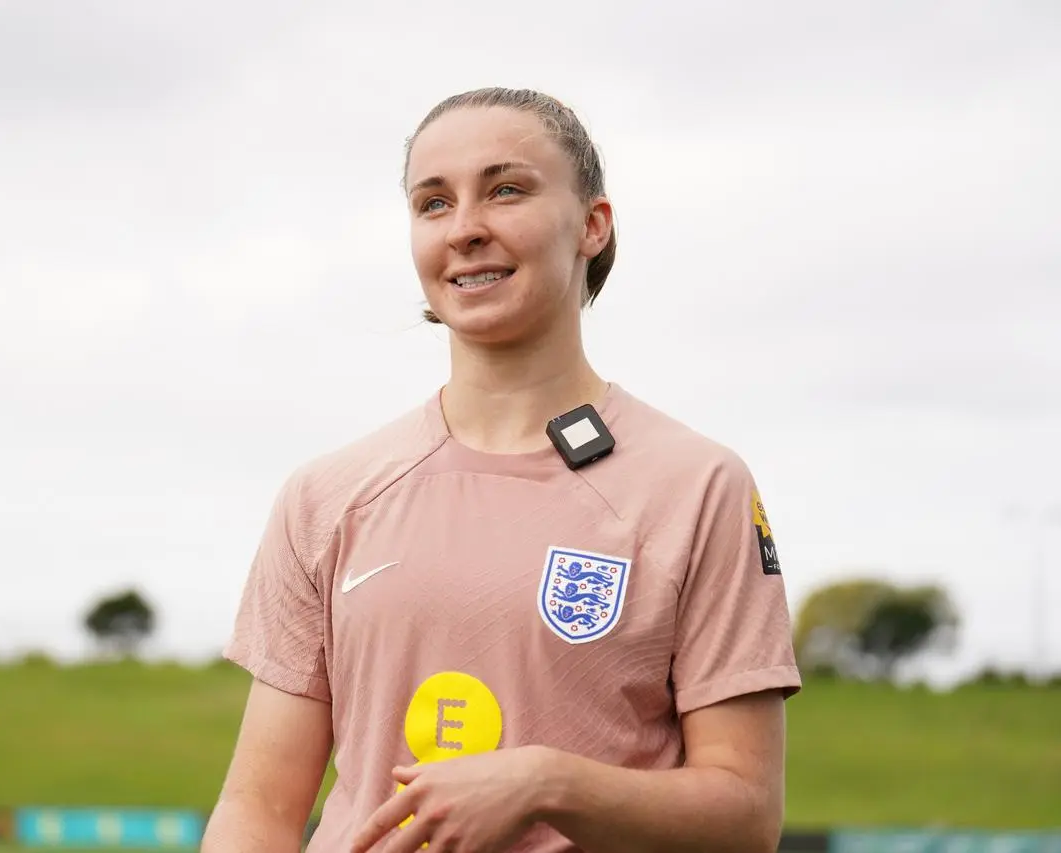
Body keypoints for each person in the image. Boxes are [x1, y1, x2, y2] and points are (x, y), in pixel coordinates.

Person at [201, 86, 802, 853]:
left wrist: (549, 783)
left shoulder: (696, 485)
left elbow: (745, 818)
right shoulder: (326, 496)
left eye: (505, 190)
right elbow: (258, 809)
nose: (465, 229)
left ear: (592, 224)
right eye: (432, 203)